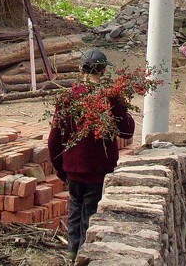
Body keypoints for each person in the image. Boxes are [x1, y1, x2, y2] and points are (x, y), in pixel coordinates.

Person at [47, 48, 135, 263]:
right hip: (99, 172)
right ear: (104, 71)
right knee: (92, 217)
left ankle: (72, 255)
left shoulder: (68, 99)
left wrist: (60, 168)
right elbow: (127, 131)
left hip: (73, 171)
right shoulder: (110, 98)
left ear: (80, 69)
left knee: (75, 213)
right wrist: (122, 108)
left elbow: (54, 139)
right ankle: (86, 257)